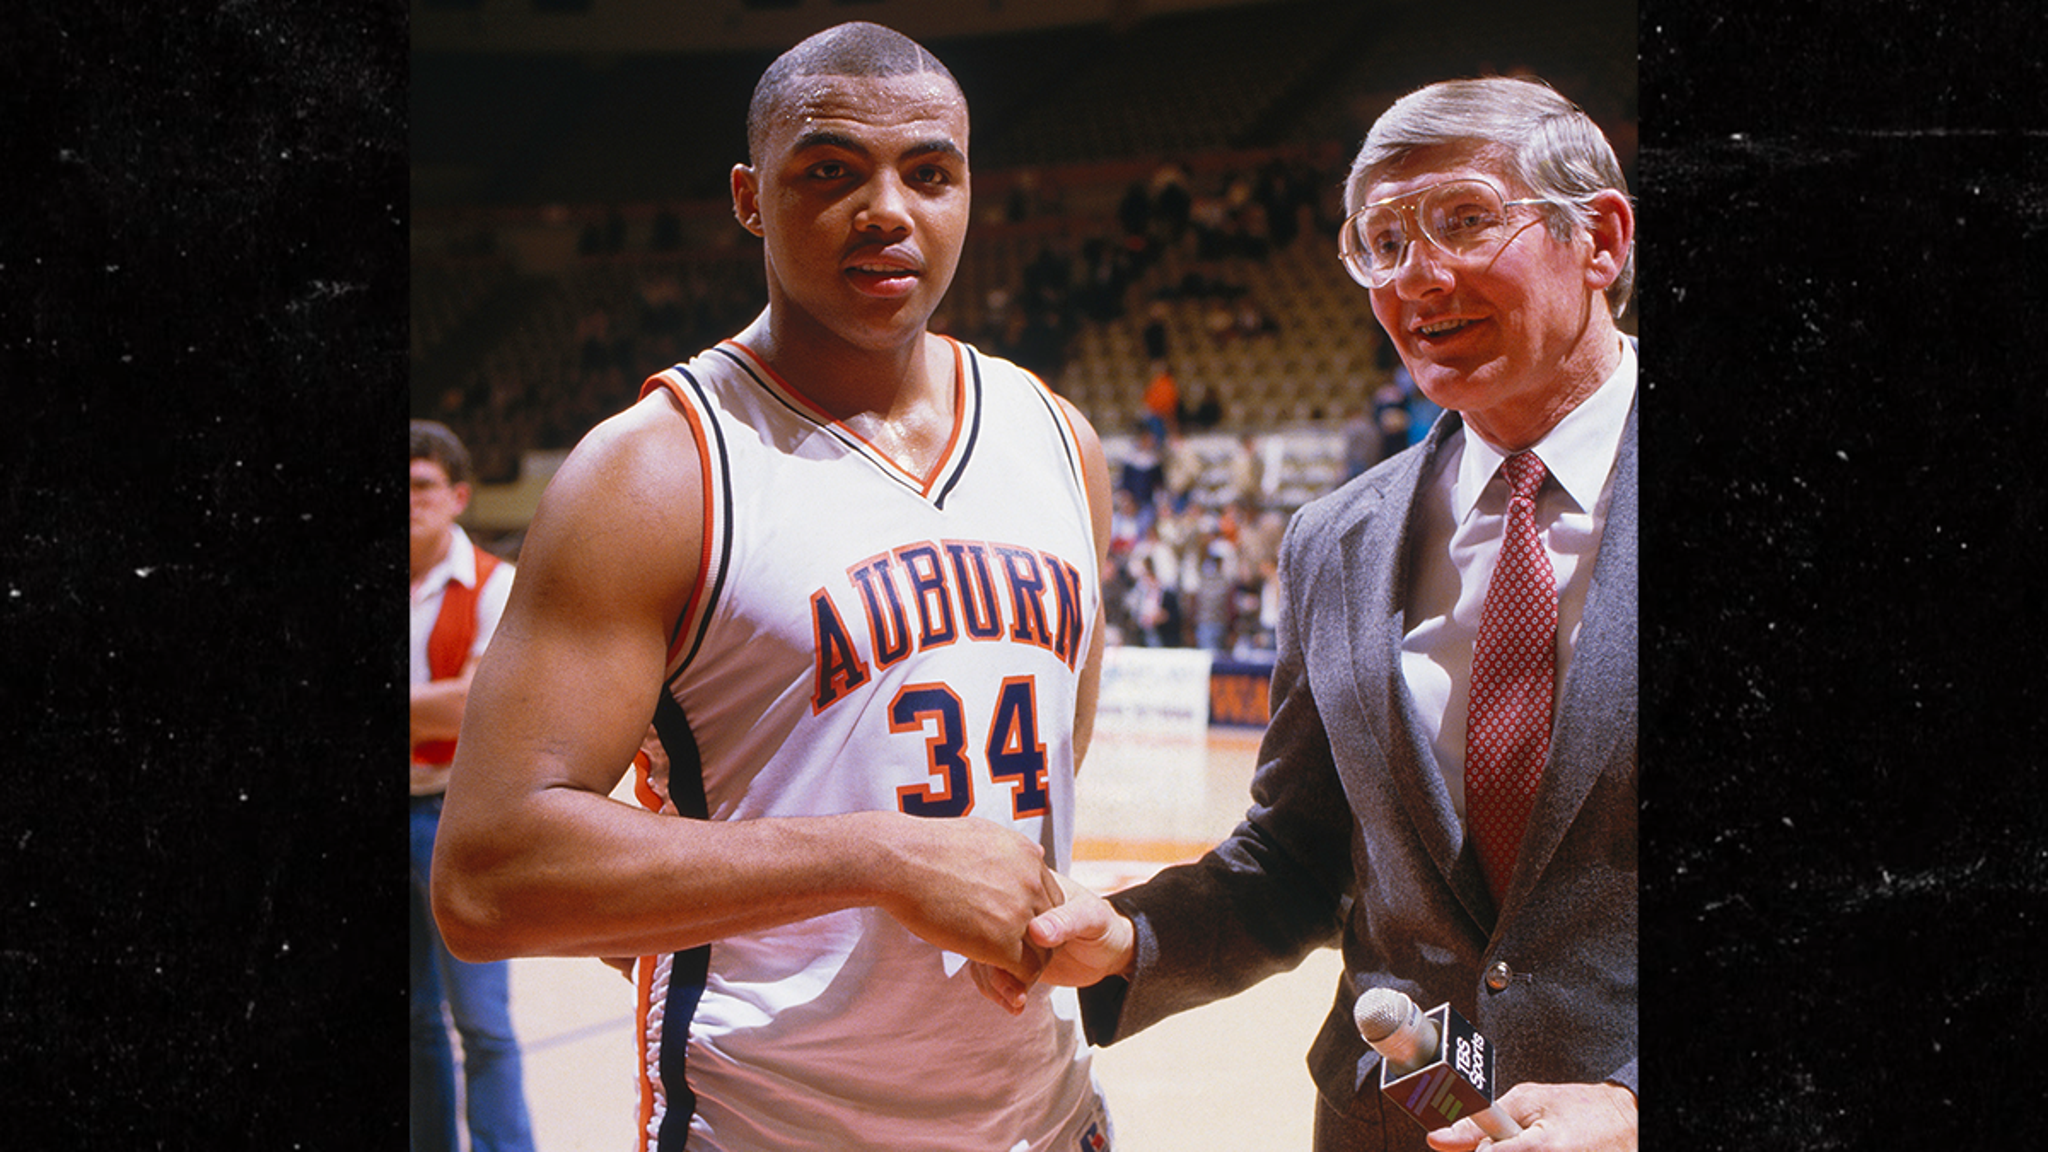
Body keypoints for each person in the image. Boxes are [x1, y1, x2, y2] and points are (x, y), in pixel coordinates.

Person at [430, 23, 1116, 1152]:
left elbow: (1047, 773)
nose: (887, 210)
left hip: (1041, 1115)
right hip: (768, 1124)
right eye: (831, 172)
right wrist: (872, 857)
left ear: (966, 195)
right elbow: (489, 877)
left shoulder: (1059, 440)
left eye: (928, 173)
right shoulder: (653, 471)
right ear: (751, 198)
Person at [984, 76, 1638, 1151]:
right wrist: (1129, 935)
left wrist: (1629, 1101)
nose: (1417, 276)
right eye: (1380, 240)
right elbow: (1292, 857)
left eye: (1462, 220)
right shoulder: (1333, 541)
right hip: (1388, 1124)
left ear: (1599, 239)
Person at [408, 419, 535, 1152]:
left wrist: (445, 699)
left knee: (482, 1023)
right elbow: (447, 696)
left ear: (458, 496)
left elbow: (471, 703)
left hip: (458, 812)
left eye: (422, 486)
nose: (408, 500)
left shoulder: (497, 584)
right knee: (416, 1021)